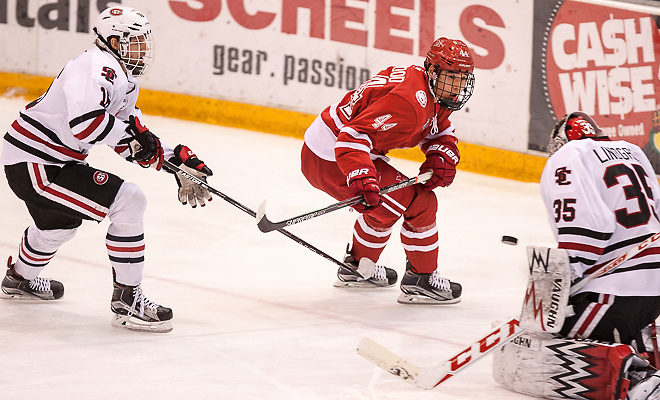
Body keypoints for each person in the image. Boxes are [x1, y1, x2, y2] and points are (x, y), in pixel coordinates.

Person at [0, 6, 213, 333]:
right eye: (136, 42)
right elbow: (86, 125)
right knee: (130, 200)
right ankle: (128, 301)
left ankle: (18, 280)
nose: (143, 49)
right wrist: (140, 143)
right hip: (36, 161)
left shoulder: (123, 79)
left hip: (46, 159)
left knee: (58, 226)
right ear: (114, 40)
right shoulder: (95, 67)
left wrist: (176, 161)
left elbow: (133, 138)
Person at [493, 112, 660, 400]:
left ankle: (638, 380)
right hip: (652, 283)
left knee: (538, 342)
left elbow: (588, 230)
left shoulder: (568, 156)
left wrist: (565, 276)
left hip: (618, 290)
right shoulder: (632, 151)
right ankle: (643, 345)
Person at [300, 37, 475, 304]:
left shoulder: (430, 89)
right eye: (452, 78)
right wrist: (361, 174)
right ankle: (422, 279)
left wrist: (441, 153)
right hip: (331, 157)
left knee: (385, 206)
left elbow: (438, 128)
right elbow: (350, 137)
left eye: (462, 80)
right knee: (420, 202)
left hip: (339, 151)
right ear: (432, 70)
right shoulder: (407, 102)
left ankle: (359, 269)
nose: (456, 87)